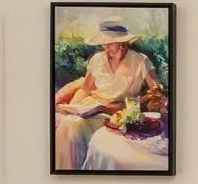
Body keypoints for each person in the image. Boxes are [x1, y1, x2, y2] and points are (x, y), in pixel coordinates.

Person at [54, 20, 162, 169]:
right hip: (90, 107)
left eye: (109, 43)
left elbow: (156, 91)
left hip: (115, 113)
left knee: (74, 124)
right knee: (70, 121)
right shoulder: (97, 59)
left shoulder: (140, 61)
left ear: (122, 42)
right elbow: (86, 89)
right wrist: (74, 106)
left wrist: (135, 104)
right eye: (103, 44)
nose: (105, 47)